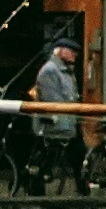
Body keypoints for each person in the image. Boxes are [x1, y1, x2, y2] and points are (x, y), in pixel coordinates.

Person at [26, 31, 82, 193]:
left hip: (67, 124)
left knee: (77, 156)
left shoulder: (66, 71)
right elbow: (53, 102)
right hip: (54, 126)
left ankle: (83, 191)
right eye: (72, 51)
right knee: (49, 161)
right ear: (61, 50)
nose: (75, 54)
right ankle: (36, 191)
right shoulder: (50, 71)